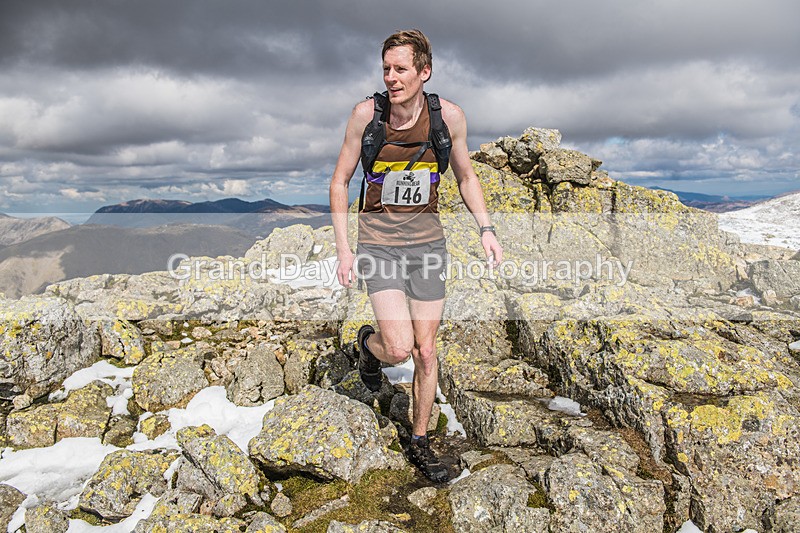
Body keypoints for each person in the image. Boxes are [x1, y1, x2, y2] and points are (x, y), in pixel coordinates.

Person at [329, 29, 502, 482]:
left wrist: (486, 228)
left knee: (426, 352)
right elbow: (340, 181)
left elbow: (465, 177)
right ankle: (369, 347)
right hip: (379, 245)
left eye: (400, 69)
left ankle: (420, 441)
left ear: (424, 71)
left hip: (427, 245)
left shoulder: (449, 118)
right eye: (386, 68)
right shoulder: (367, 115)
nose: (391, 77)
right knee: (400, 347)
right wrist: (345, 249)